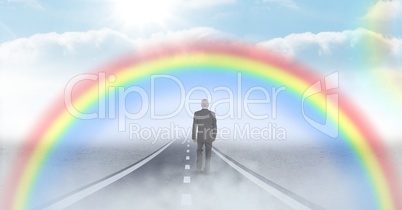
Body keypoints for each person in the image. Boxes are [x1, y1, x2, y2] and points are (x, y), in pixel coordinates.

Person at [192, 99, 217, 174]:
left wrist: (194, 137)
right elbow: (214, 126)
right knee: (208, 152)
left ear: (201, 105)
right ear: (208, 105)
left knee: (199, 151)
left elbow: (194, 126)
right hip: (209, 137)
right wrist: (214, 136)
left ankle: (199, 167)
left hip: (200, 136)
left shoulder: (196, 113)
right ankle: (207, 169)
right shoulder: (212, 114)